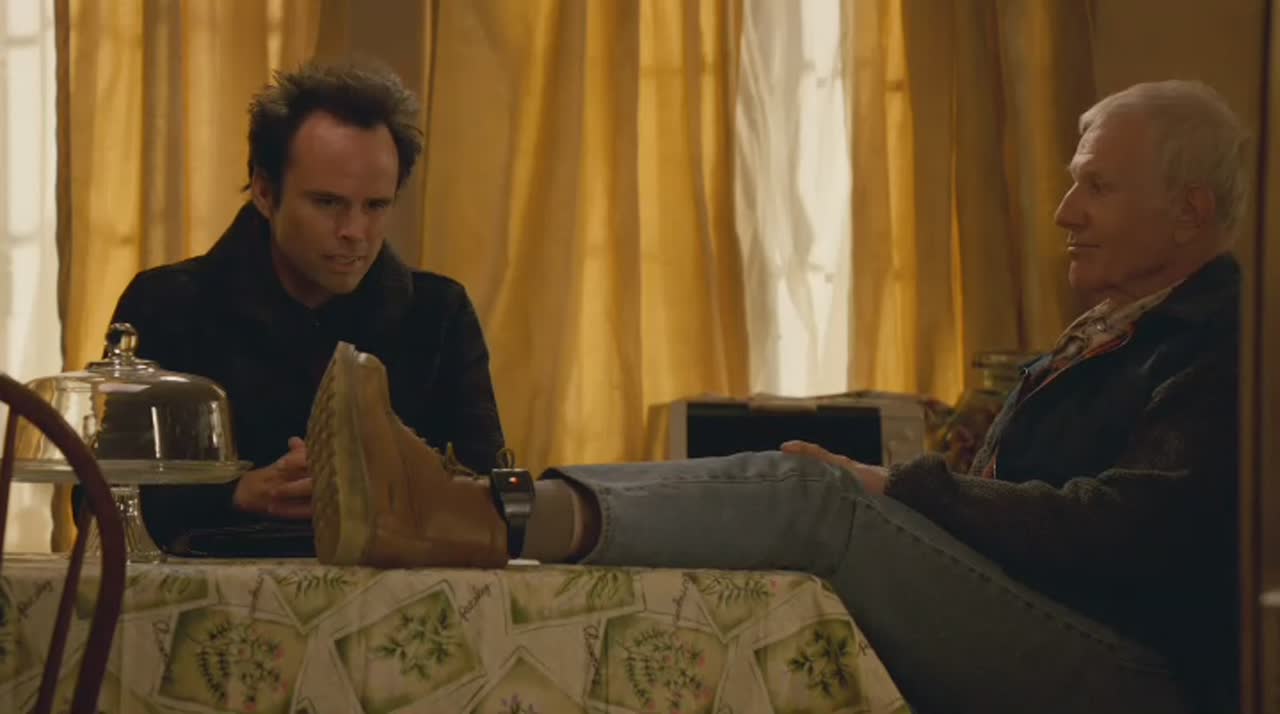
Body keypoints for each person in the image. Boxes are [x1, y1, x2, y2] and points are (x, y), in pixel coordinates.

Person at [305, 79, 1246, 714]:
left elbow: (1123, 531)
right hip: (1051, 623)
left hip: (1131, 673)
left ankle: (465, 513)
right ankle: (463, 506)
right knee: (804, 496)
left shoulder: (1224, 347)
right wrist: (900, 498)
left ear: (1189, 212)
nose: (1065, 213)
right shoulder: (1116, 329)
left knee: (810, 499)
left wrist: (901, 491)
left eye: (1096, 188)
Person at [106, 60, 505, 556]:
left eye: (376, 206)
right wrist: (237, 495)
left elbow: (490, 499)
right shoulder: (168, 303)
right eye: (327, 203)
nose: (355, 232)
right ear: (264, 191)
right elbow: (98, 499)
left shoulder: (439, 313)